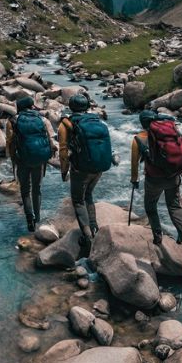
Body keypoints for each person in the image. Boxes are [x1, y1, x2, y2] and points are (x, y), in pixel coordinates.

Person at [131, 109, 182, 262]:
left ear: (142, 123)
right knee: (174, 206)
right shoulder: (170, 134)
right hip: (173, 176)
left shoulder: (139, 139)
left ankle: (157, 236)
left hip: (153, 180)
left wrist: (134, 180)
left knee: (150, 206)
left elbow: (135, 163)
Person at [58, 94, 118, 256]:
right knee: (89, 195)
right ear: (87, 107)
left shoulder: (67, 124)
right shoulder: (97, 121)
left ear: (71, 107)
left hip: (80, 168)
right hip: (99, 166)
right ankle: (94, 227)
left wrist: (64, 171)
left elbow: (63, 151)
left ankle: (87, 236)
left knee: (78, 200)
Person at [6, 96, 56, 232]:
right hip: (39, 159)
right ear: (32, 106)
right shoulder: (42, 119)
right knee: (37, 188)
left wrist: (13, 159)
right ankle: (38, 218)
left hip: (22, 159)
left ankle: (29, 220)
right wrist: (49, 154)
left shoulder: (13, 121)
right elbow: (52, 140)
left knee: (25, 190)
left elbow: (10, 142)